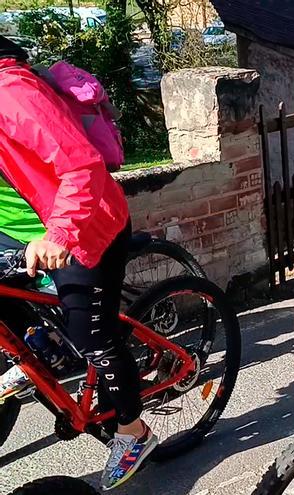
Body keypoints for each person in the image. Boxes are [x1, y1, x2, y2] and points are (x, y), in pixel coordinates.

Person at [0, 35, 155, 490]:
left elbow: (81, 166)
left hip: (83, 224)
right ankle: (37, 344)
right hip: (17, 226)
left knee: (93, 336)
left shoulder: (12, 93)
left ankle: (133, 432)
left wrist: (60, 234)